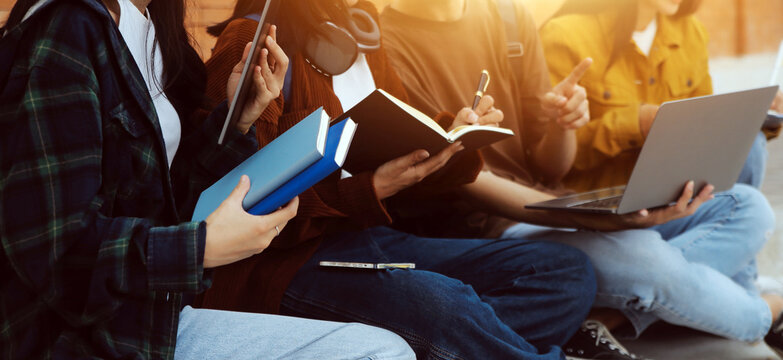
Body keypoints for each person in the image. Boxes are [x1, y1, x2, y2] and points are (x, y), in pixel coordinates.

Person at [0, 0, 417, 359]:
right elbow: (52, 251)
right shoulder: (67, 28)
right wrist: (201, 249)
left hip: (154, 314)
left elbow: (159, 197)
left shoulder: (152, 31)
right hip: (87, 337)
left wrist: (239, 119)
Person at [379, 0, 782, 359]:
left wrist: (563, 125)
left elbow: (552, 167)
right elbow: (464, 179)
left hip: (555, 204)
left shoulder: (508, 16)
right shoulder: (385, 47)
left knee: (748, 207)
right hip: (487, 234)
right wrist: (597, 220)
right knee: (645, 254)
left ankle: (611, 317)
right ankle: (766, 311)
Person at [197, 0, 599, 359]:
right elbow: (241, 195)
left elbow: (396, 130)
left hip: (368, 238)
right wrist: (369, 190)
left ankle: (458, 345)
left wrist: (449, 136)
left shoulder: (362, 27)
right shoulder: (251, 39)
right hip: (281, 262)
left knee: (564, 272)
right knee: (445, 306)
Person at [540, 0, 783, 192]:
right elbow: (549, 163)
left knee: (752, 151)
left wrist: (755, 117)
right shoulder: (565, 36)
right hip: (606, 201)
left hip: (677, 192)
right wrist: (635, 124)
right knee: (749, 210)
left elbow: (705, 132)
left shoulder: (691, 31)